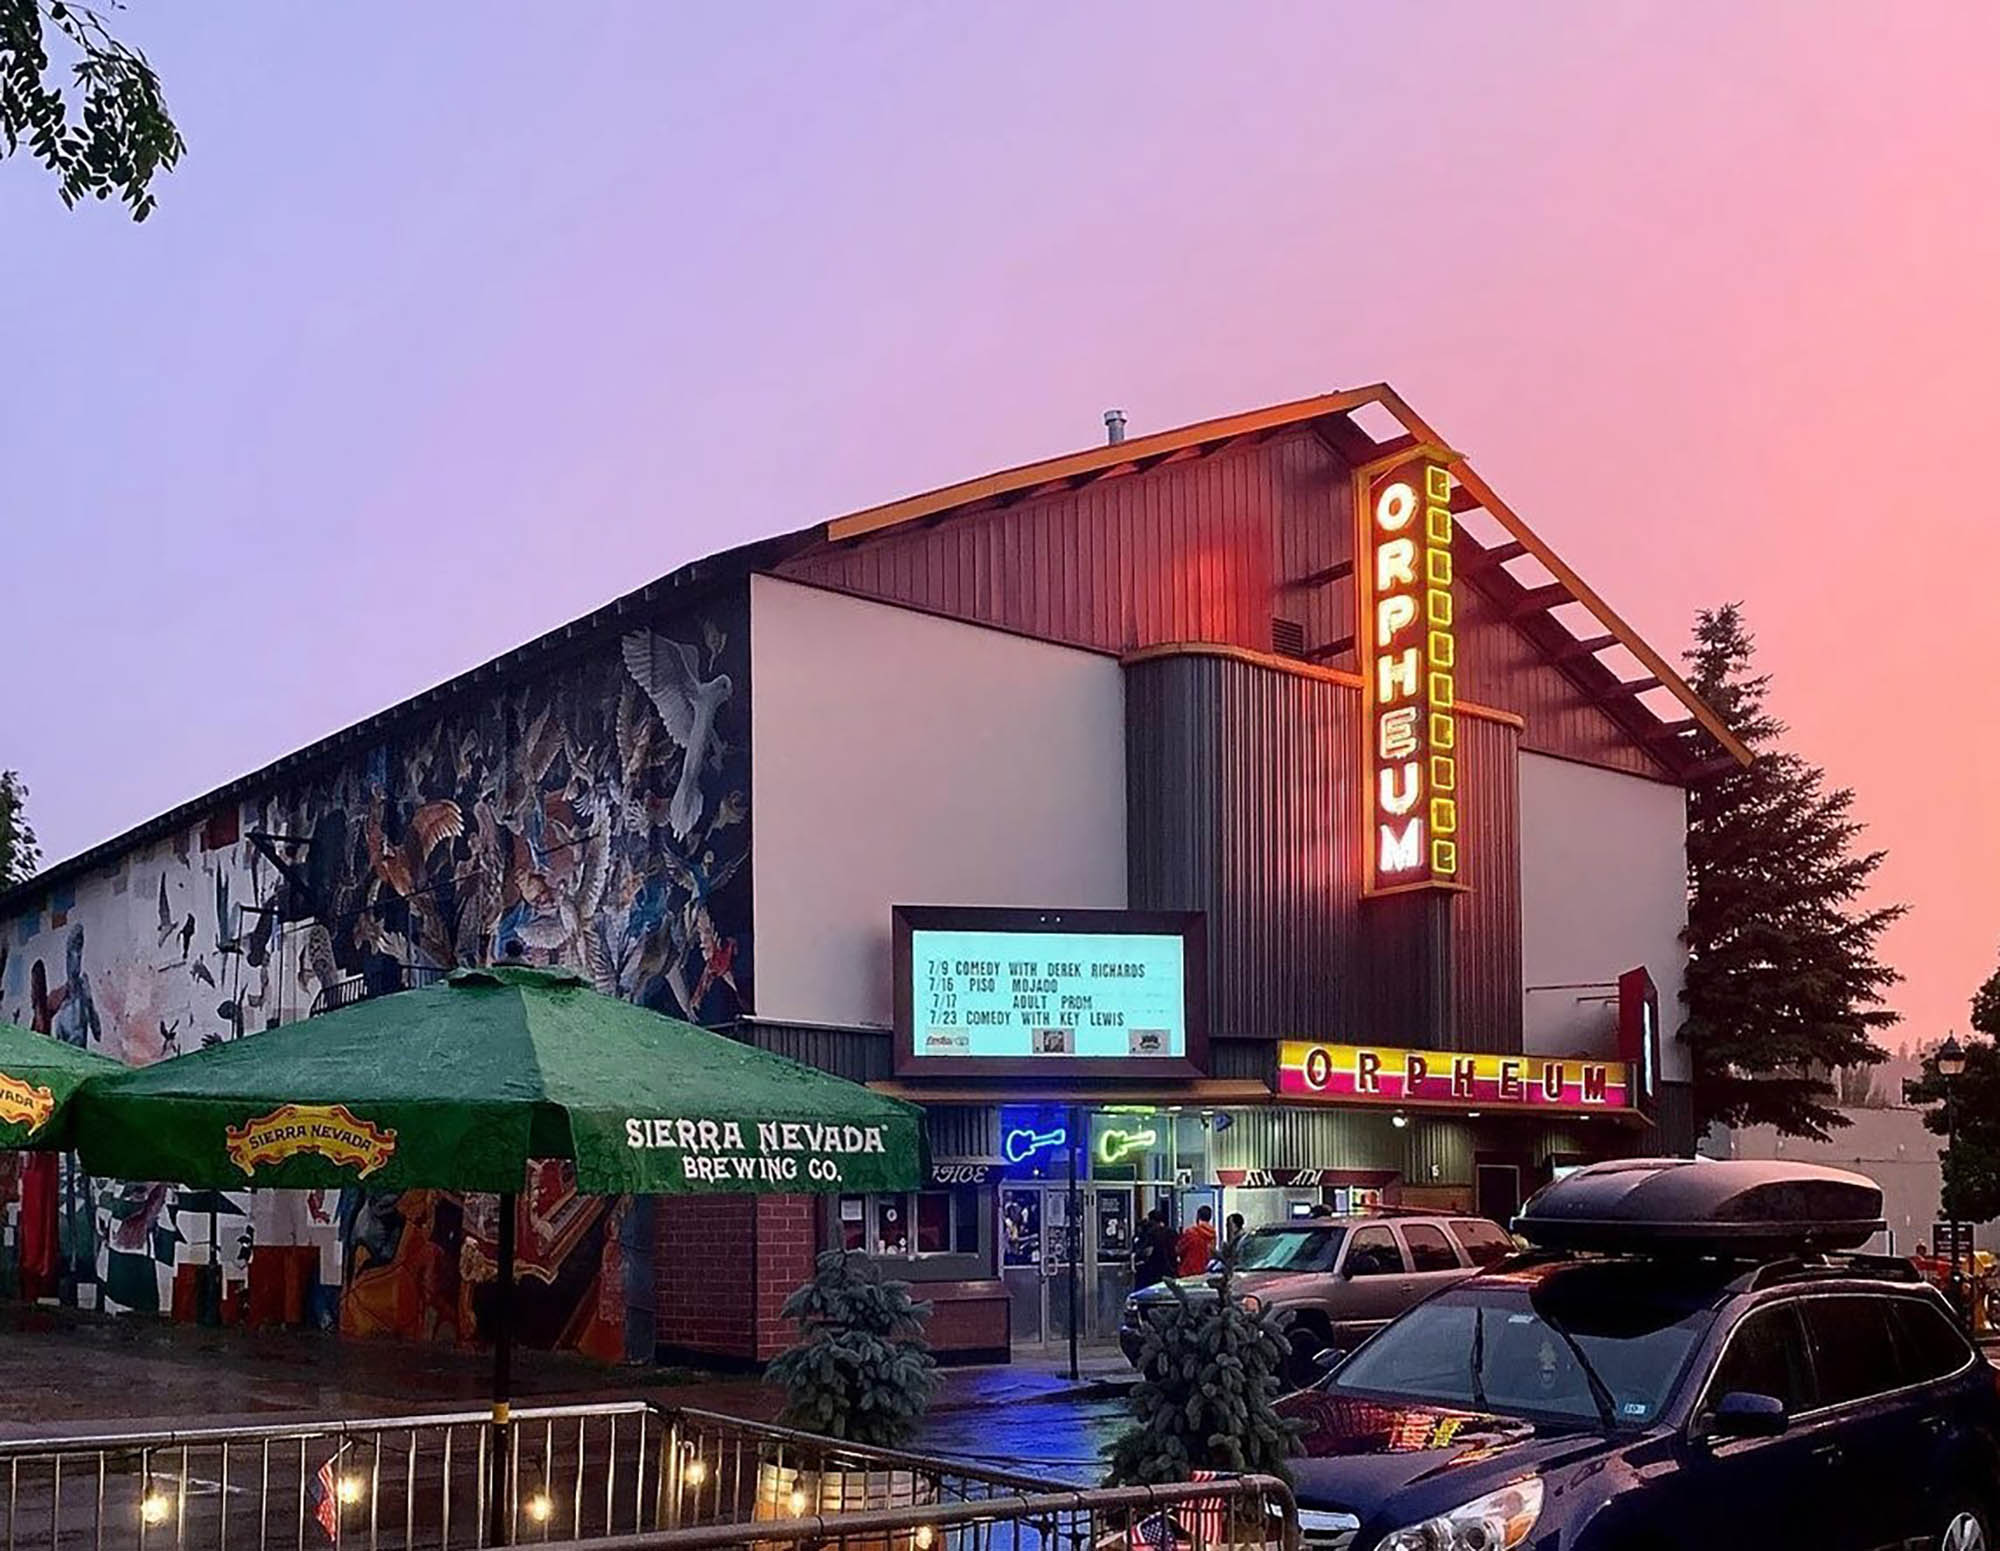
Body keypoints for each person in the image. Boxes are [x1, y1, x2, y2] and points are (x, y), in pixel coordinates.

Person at [1134, 1207, 1175, 1289]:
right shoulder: (1170, 1232)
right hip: (1167, 1270)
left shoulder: (1147, 1232)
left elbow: (1140, 1250)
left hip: (1149, 1271)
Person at [1177, 1204, 1217, 1278]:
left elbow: (1179, 1249)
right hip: (1203, 1271)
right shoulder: (1212, 1234)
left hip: (1188, 1270)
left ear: (1198, 1216)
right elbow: (1211, 1253)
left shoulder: (1190, 1232)